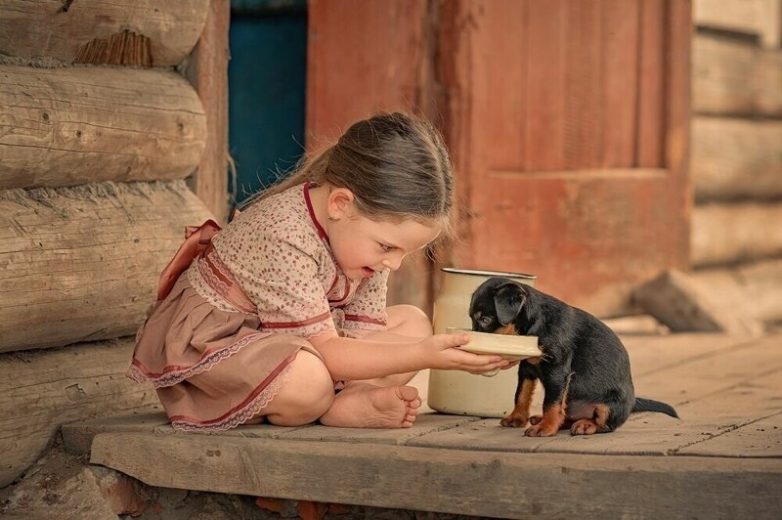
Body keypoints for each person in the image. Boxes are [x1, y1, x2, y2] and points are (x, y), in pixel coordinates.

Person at [128, 112, 511, 432]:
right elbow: (329, 353)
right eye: (388, 247)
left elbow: (363, 335)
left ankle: (345, 401)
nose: (393, 263)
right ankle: (327, 406)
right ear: (341, 203)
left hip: (303, 341)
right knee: (309, 381)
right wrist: (424, 357)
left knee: (413, 324)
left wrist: (423, 347)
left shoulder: (365, 240)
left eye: (404, 253)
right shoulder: (284, 232)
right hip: (220, 343)